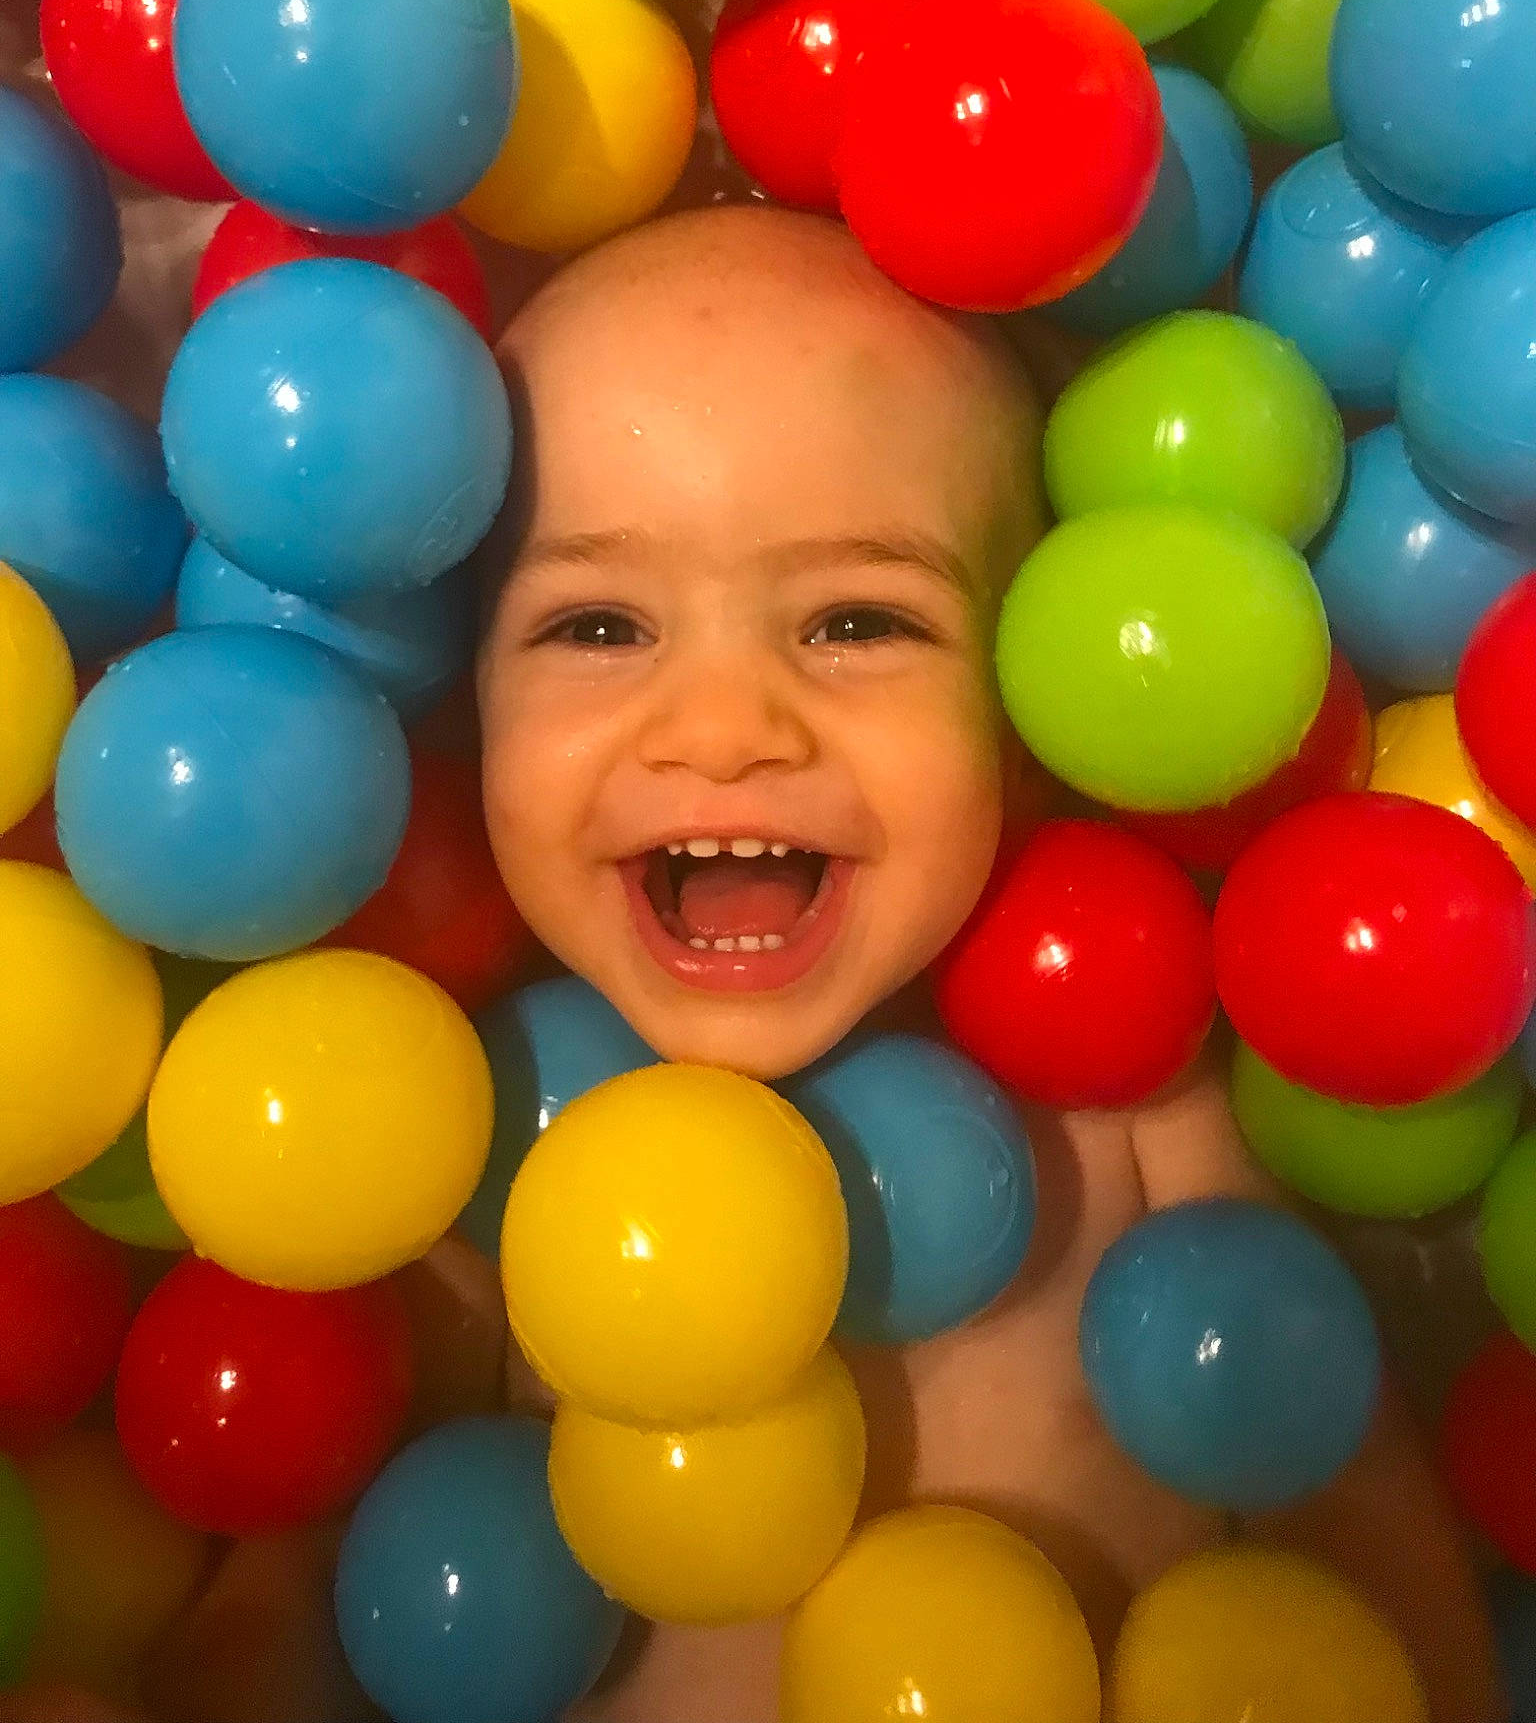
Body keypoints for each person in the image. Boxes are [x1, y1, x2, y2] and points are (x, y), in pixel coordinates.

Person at [1, 204, 1503, 1723]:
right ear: (463, 722)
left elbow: (1355, 1525)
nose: (724, 728)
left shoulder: (1134, 1123)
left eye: (858, 621)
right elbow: (296, 1595)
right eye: (596, 625)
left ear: (1035, 716)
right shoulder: (462, 1140)